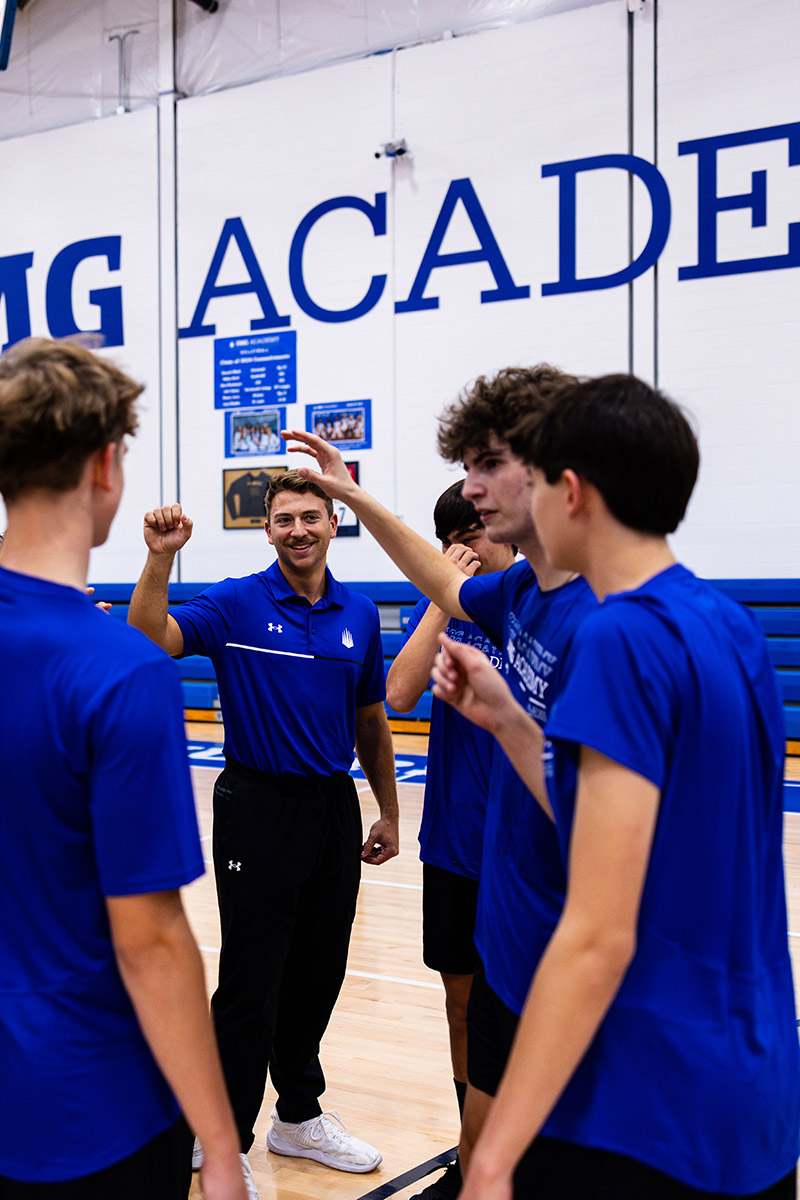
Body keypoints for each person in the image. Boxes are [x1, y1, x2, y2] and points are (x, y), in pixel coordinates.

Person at [428, 374, 799, 1200]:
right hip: (753, 1085)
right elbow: (636, 832)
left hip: (645, 1105)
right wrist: (513, 725)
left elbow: (598, 933)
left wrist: (492, 1156)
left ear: (571, 489)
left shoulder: (616, 639)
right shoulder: (725, 621)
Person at [0, 337, 245, 1200]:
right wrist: (222, 1144)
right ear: (104, 463)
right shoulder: (121, 670)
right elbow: (153, 939)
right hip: (97, 1114)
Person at [284, 364, 597, 1171]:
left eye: (488, 466)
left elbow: (613, 823)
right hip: (488, 874)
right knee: (485, 1055)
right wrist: (349, 496)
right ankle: (474, 1167)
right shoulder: (522, 593)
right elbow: (430, 594)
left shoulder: (624, 625)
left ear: (558, 471)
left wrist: (507, 722)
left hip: (561, 909)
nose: (473, 490)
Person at [128, 471, 399, 1195]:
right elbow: (150, 639)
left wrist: (389, 811)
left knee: (319, 971)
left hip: (333, 809)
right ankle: (220, 1138)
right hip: (257, 805)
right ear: (267, 529)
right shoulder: (235, 600)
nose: (298, 530)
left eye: (311, 516)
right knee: (251, 982)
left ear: (333, 523)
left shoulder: (361, 614)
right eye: (284, 519)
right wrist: (159, 559)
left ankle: (299, 1116)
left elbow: (371, 720)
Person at [386, 481, 515, 1199]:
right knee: (461, 1001)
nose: (480, 545)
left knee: (523, 1004)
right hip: (455, 845)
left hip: (522, 853)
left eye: (484, 530)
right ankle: (473, 1149)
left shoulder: (531, 608)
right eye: (465, 537)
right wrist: (444, 593)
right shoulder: (444, 617)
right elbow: (399, 693)